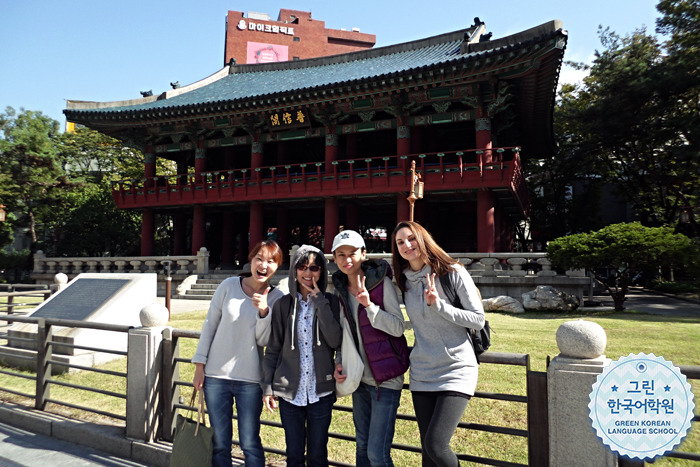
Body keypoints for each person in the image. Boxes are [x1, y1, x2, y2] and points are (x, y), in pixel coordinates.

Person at [391, 221, 485, 467]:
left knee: (436, 444)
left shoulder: (452, 272)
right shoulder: (404, 281)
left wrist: (440, 306)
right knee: (427, 451)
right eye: (400, 242)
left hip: (456, 367)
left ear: (423, 239)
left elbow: (478, 318)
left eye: (411, 238)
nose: (406, 245)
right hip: (423, 370)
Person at [192, 239, 284, 467]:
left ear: (277, 266)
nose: (264, 265)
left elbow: (266, 341)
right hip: (216, 376)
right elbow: (209, 326)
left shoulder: (277, 298)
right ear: (250, 260)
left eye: (271, 261)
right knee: (220, 441)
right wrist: (199, 366)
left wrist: (264, 312)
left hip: (251, 380)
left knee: (250, 442)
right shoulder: (229, 286)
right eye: (259, 259)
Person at [330, 230, 409, 467]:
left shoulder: (381, 283)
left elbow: (397, 327)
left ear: (364, 254)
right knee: (362, 448)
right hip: (359, 379)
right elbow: (346, 331)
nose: (347, 260)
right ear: (334, 258)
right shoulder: (341, 288)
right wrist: (339, 360)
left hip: (385, 380)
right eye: (341, 255)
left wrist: (369, 306)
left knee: (377, 454)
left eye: (353, 253)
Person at [262, 245, 342, 467]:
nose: (308, 273)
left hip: (321, 392)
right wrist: (268, 387)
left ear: (322, 271)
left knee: (318, 455)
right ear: (294, 271)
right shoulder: (283, 305)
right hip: (290, 393)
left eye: (314, 268)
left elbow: (336, 340)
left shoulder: (331, 302)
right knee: (294, 454)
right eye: (302, 267)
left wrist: (320, 302)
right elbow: (273, 350)